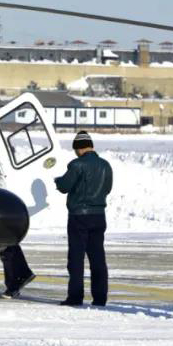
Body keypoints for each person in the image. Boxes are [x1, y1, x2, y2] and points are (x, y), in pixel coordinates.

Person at [54, 131, 112, 307]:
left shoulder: (76, 165)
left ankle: (75, 296)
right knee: (98, 258)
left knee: (76, 259)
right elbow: (107, 188)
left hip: (79, 216)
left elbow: (65, 186)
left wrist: (58, 181)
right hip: (99, 216)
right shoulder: (106, 165)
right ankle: (100, 297)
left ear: (79, 148)